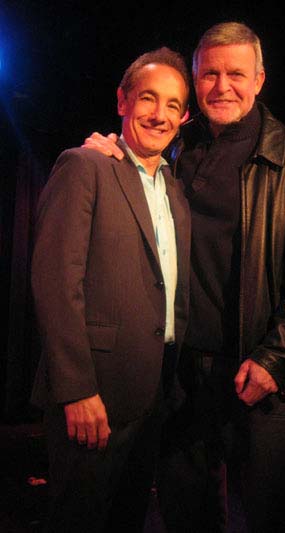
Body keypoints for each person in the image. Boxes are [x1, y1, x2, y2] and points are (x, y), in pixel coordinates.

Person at [83, 21, 285, 533]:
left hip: (261, 378)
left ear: (259, 79)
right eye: (209, 73)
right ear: (195, 80)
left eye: (235, 73)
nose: (221, 85)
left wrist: (274, 359)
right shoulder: (177, 152)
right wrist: (110, 153)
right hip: (181, 377)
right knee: (188, 517)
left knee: (274, 521)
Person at [30, 47, 191, 533]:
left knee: (127, 520)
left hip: (151, 396)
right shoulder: (86, 165)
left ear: (184, 118)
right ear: (122, 100)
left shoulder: (175, 188)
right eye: (147, 98)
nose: (158, 115)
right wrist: (76, 388)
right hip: (94, 396)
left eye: (171, 105)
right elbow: (56, 282)